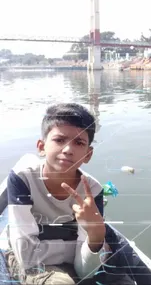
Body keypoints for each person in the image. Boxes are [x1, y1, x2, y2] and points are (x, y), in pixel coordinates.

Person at [5, 103, 135, 284]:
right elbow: (26, 256)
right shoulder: (23, 178)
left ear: (88, 154)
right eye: (59, 140)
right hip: (34, 262)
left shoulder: (93, 191)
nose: (68, 150)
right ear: (41, 146)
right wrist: (75, 249)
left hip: (71, 257)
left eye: (79, 142)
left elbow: (85, 272)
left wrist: (96, 236)